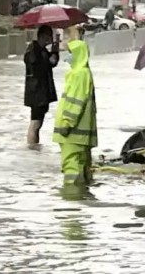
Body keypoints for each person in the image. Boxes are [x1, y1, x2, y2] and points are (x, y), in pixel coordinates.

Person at [53, 39, 98, 187]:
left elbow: (75, 101)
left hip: (73, 133)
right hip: (82, 133)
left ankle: (71, 196)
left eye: (70, 53)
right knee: (82, 166)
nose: (67, 57)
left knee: (71, 165)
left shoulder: (79, 74)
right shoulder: (84, 73)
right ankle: (83, 196)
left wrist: (67, 122)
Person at [24, 25, 59, 148]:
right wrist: (49, 60)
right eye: (49, 36)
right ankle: (32, 147)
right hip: (37, 92)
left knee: (38, 122)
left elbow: (52, 63)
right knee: (35, 122)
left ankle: (34, 146)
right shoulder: (33, 50)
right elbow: (39, 66)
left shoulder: (41, 49)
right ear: (43, 36)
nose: (50, 39)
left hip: (41, 91)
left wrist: (55, 49)